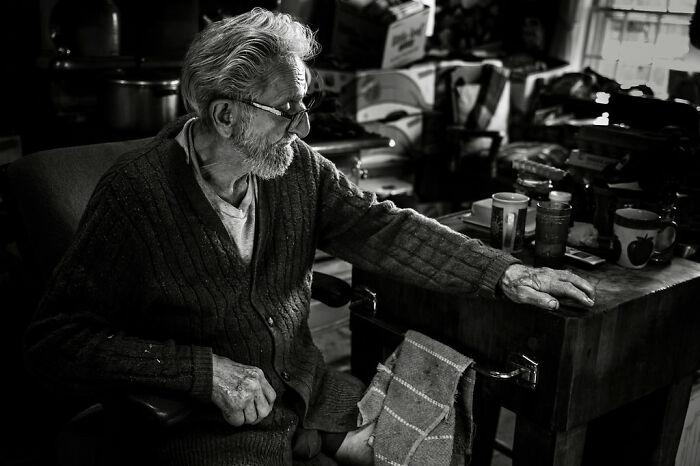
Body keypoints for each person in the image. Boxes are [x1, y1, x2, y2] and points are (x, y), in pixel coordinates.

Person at [23, 8, 595, 466]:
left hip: (307, 394)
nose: (304, 127)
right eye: (286, 109)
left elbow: (382, 225)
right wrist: (205, 372)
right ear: (225, 116)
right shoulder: (136, 195)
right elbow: (58, 340)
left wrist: (505, 272)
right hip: (211, 428)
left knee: (428, 442)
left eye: (305, 104)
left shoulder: (295, 169)